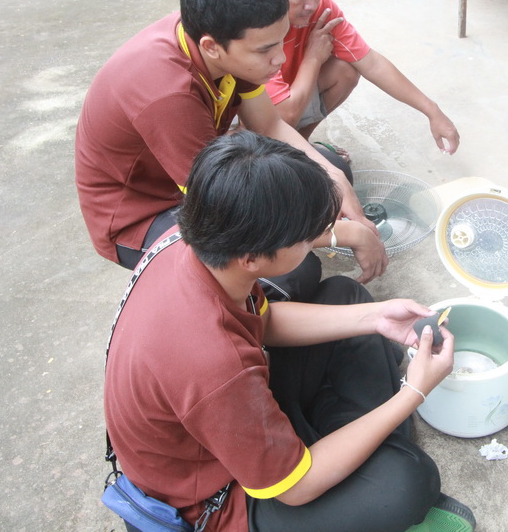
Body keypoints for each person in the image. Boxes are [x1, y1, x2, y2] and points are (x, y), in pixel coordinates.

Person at [103, 130, 476, 532]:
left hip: (228, 425)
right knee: (406, 483)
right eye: (306, 237)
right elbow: (296, 489)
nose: (317, 241)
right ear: (251, 258)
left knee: (346, 295)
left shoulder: (196, 239)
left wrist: (377, 317)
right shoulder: (213, 362)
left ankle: (354, 450)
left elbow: (264, 322)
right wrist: (413, 392)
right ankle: (365, 456)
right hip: (218, 497)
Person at [75, 0, 387, 294]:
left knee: (326, 174)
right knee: (289, 272)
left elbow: (269, 125)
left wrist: (334, 179)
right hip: (146, 213)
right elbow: (224, 206)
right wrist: (343, 234)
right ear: (211, 47)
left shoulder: (227, 35)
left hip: (202, 176)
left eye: (280, 42)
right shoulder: (168, 95)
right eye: (265, 50)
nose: (279, 59)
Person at [257, 0, 460, 155]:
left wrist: (432, 110)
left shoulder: (321, 9)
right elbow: (285, 115)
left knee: (345, 70)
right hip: (258, 118)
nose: (312, 4)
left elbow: (371, 62)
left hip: (292, 96)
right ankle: (289, 152)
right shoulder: (256, 24)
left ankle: (300, 145)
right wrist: (313, 58)